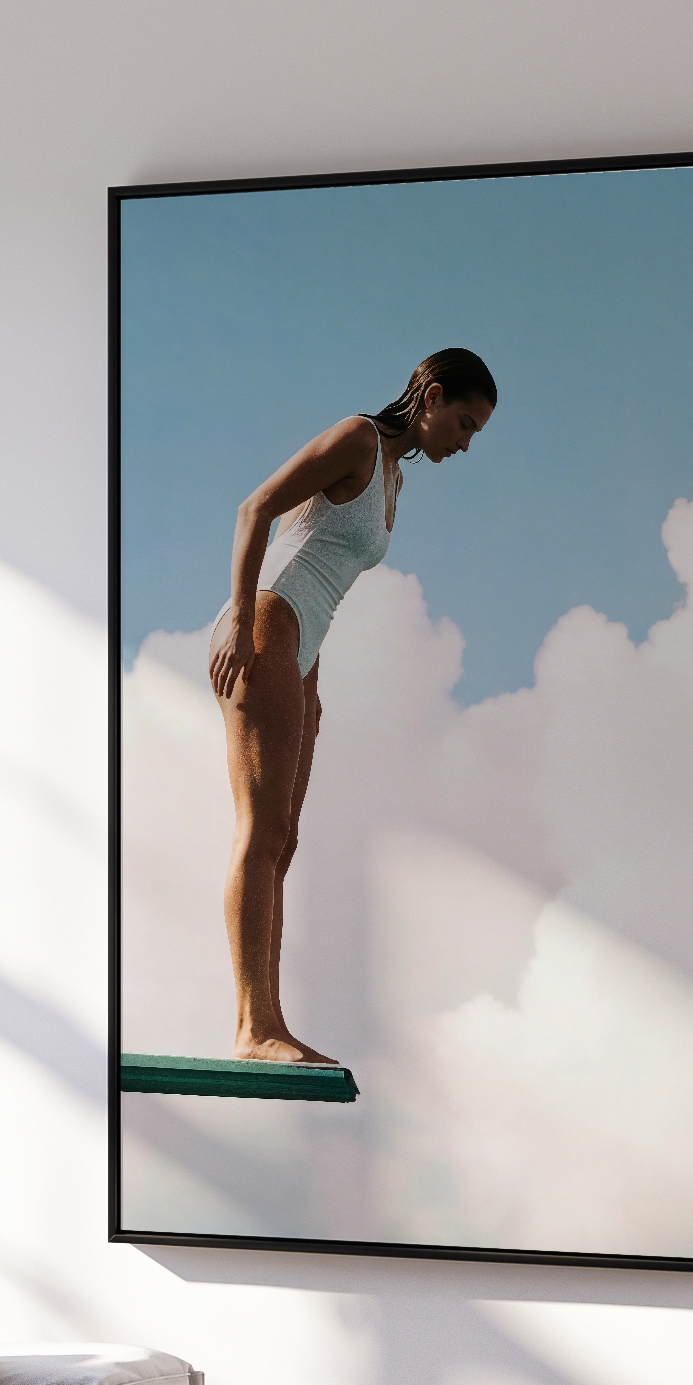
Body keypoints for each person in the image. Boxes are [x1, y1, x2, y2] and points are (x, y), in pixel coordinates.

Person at [208, 348, 497, 1065]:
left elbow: (324, 571)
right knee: (261, 829)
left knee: (284, 840)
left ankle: (269, 1020)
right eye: (465, 423)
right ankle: (252, 1028)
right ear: (432, 396)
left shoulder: (393, 476)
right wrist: (242, 622)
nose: (466, 443)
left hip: (298, 647)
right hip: (266, 623)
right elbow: (256, 510)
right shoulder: (358, 439)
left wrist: (310, 682)